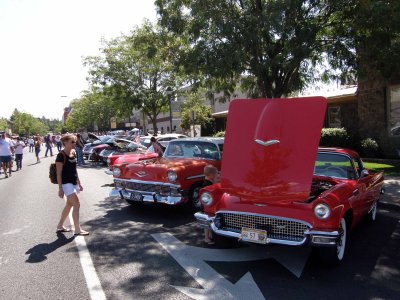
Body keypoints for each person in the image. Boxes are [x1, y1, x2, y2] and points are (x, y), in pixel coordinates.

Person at [55, 134, 89, 236]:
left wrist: (79, 182)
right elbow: (58, 173)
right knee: (76, 204)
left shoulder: (73, 152)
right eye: (72, 142)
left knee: (69, 205)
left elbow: (74, 169)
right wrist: (60, 188)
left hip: (73, 182)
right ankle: (77, 229)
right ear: (65, 143)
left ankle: (60, 225)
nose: (75, 143)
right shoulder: (61, 155)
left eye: (75, 141)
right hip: (66, 184)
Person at [202, 165, 219, 245]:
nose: (217, 175)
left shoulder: (207, 182)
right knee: (207, 221)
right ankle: (206, 238)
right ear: (211, 175)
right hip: (207, 206)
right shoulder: (207, 185)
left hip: (207, 206)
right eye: (216, 173)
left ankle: (209, 235)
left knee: (209, 220)